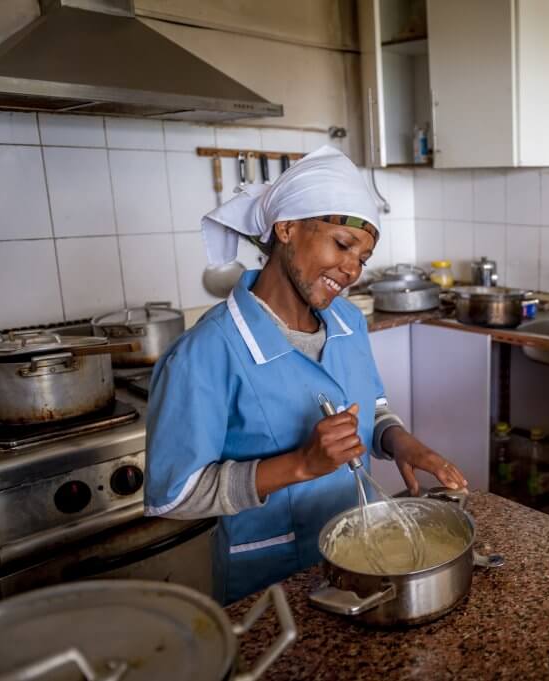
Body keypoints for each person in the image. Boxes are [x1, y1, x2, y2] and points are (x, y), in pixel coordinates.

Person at [144, 146, 467, 604]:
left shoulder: (348, 323)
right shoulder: (206, 352)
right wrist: (299, 465)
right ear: (287, 227)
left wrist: (398, 441)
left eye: (363, 257)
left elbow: (370, 406)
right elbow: (174, 497)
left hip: (365, 565)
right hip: (271, 586)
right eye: (342, 244)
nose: (353, 269)